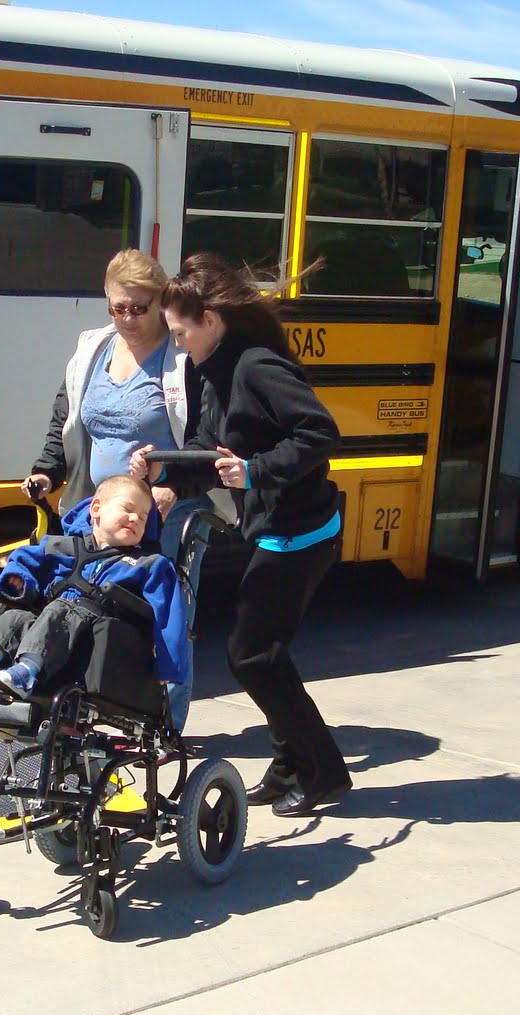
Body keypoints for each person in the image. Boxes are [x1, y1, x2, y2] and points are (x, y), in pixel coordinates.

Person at [131, 253, 350, 818]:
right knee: (261, 654)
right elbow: (209, 447)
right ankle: (287, 768)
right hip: (274, 530)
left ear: (211, 319)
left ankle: (323, 772)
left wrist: (256, 472)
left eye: (180, 332)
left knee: (251, 655)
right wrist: (166, 473)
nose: (177, 345)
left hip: (303, 532)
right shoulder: (212, 369)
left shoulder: (256, 367)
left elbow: (321, 432)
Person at [22, 248, 219, 732]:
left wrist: (170, 485)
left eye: (140, 307)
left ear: (160, 303)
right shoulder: (94, 346)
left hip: (166, 510)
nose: (128, 318)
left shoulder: (182, 358)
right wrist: (48, 470)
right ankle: (86, 712)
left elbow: (210, 432)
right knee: (84, 603)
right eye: (118, 307)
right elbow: (65, 418)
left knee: (164, 619)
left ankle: (166, 725)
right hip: (101, 508)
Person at [0, 474, 188, 706]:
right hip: (54, 639)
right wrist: (20, 579)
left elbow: (168, 617)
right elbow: (24, 558)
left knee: (60, 609)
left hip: (101, 646)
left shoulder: (149, 564)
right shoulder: (64, 547)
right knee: (14, 618)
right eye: (128, 510)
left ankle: (24, 674)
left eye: (144, 517)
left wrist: (168, 667)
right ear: (96, 509)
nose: (136, 519)